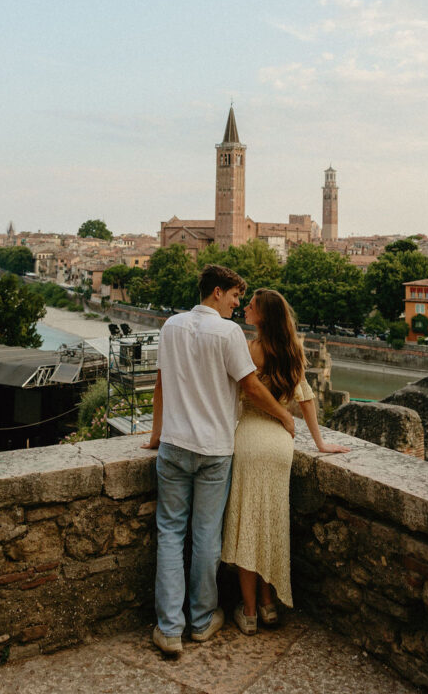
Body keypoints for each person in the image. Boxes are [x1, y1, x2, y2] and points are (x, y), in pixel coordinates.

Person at [141, 265, 296, 657]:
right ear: (215, 292)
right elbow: (251, 386)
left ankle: (169, 629)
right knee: (207, 536)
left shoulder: (171, 326)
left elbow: (160, 385)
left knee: (171, 534)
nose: (236, 304)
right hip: (214, 450)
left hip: (174, 445)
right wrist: (283, 415)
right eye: (233, 297)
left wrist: (155, 436)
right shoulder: (228, 333)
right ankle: (202, 619)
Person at [221, 288, 349, 634]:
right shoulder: (293, 352)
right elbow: (306, 400)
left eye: (251, 306)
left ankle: (248, 613)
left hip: (248, 439)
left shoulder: (251, 349)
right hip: (280, 445)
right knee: (271, 524)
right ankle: (269, 605)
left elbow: (239, 391)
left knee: (248, 526)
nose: (245, 308)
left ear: (262, 315)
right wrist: (320, 443)